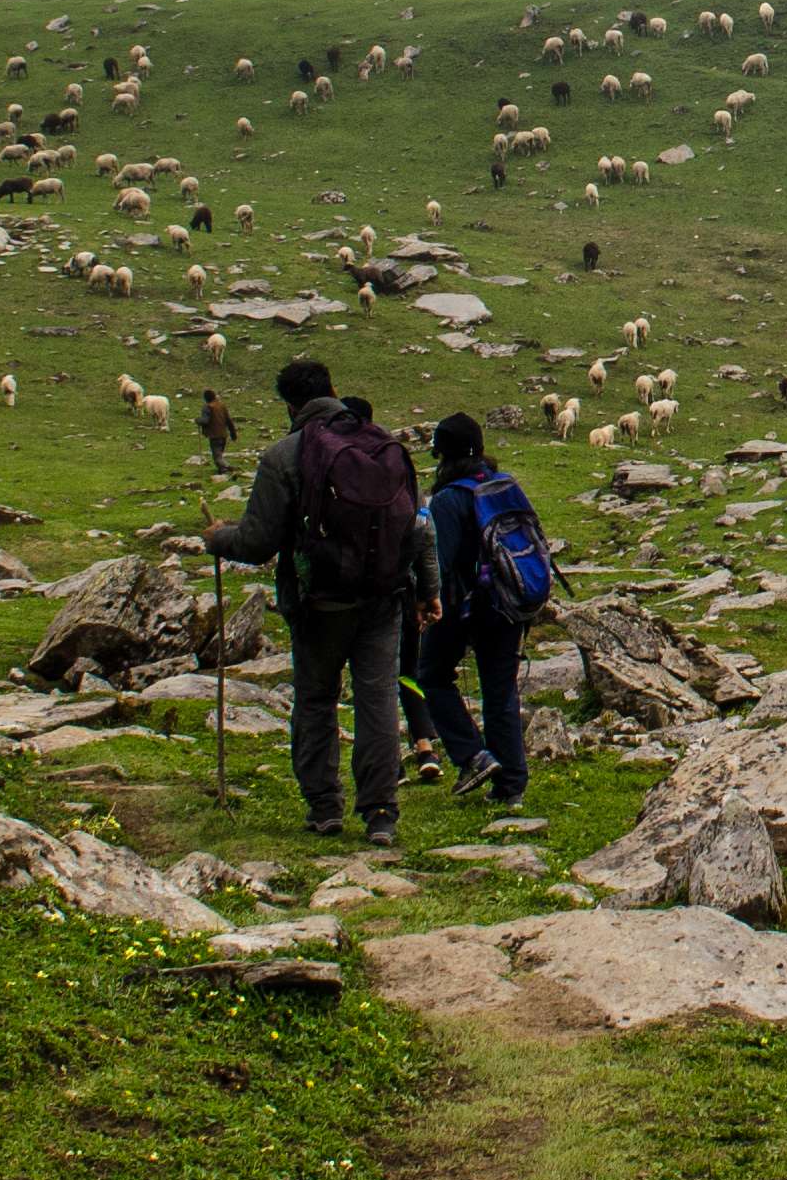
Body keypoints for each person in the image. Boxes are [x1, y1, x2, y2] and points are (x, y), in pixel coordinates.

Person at [198, 358, 433, 841]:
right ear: (334, 389)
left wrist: (219, 538)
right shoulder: (382, 443)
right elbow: (417, 526)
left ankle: (325, 806)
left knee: (316, 699)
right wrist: (427, 590)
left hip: (319, 602)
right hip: (383, 599)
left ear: (290, 405)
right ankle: (381, 813)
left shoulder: (286, 455)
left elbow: (258, 541)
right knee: (377, 698)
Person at [411, 411, 537, 801]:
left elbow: (440, 560)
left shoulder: (449, 499)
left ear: (443, 455)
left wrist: (424, 601)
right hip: (510, 602)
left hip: (465, 605)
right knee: (500, 692)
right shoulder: (504, 484)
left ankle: (472, 754)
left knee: (431, 674)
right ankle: (511, 786)